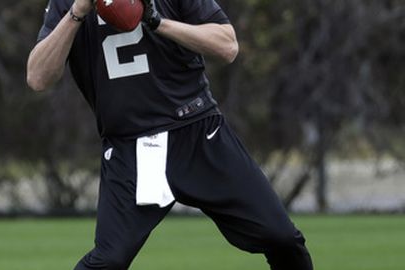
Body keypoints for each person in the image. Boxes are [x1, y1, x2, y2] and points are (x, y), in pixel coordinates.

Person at [27, 0, 314, 269]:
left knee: (282, 238)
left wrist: (157, 21)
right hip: (130, 148)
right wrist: (77, 12)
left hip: (197, 132)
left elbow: (227, 46)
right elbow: (38, 77)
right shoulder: (69, 2)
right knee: (108, 261)